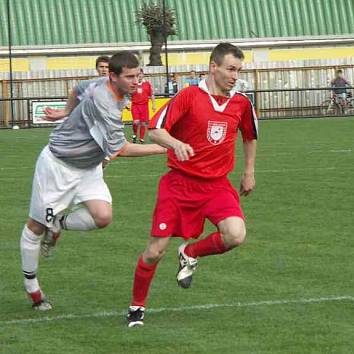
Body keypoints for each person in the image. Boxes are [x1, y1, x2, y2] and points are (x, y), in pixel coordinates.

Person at [20, 51, 166, 311]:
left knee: (103, 217)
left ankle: (58, 223)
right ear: (113, 76)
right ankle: (33, 289)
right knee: (35, 227)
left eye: (139, 75)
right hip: (58, 164)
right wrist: (165, 148)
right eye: (130, 77)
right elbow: (120, 149)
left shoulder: (103, 85)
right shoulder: (104, 102)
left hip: (88, 168)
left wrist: (65, 112)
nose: (136, 81)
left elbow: (77, 88)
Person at [126, 42, 258, 327]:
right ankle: (137, 306)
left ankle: (190, 252)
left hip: (217, 185)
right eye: (230, 69)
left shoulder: (242, 103)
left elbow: (249, 136)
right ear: (213, 67)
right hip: (180, 184)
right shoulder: (188, 96)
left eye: (239, 70)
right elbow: (155, 130)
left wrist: (249, 171)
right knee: (155, 251)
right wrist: (176, 143)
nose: (235, 75)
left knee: (235, 234)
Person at [130, 68, 156, 143]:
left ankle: (141, 139)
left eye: (141, 74)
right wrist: (127, 103)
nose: (139, 76)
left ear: (143, 74)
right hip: (135, 105)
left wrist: (153, 104)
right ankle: (134, 135)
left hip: (144, 106)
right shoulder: (133, 84)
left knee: (143, 123)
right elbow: (128, 95)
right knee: (136, 122)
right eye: (138, 74)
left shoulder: (147, 84)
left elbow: (151, 95)